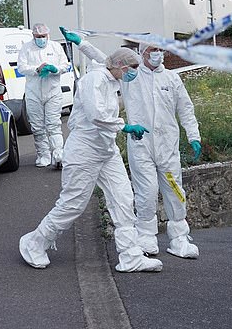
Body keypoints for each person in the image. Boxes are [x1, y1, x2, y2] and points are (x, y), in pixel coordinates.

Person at [19, 28, 162, 272]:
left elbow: (102, 56)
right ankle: (34, 243)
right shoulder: (94, 80)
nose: (133, 74)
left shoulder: (112, 75)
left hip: (106, 150)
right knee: (72, 205)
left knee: (123, 199)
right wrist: (125, 126)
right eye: (131, 69)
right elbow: (97, 115)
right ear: (120, 67)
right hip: (84, 151)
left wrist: (81, 43)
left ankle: (130, 256)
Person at [121, 42, 202, 259]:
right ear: (142, 53)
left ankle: (179, 238)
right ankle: (146, 237)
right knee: (146, 192)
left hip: (167, 146)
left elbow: (185, 108)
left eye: (160, 50)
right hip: (141, 145)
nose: (158, 54)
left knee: (175, 190)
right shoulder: (131, 77)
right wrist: (82, 44)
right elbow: (106, 63)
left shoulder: (172, 78)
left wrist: (193, 136)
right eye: (152, 50)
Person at [17, 23, 70, 168]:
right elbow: (21, 67)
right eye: (38, 37)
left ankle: (58, 154)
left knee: (53, 125)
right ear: (33, 36)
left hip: (53, 92)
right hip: (33, 93)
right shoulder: (26, 48)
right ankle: (43, 155)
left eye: (43, 36)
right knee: (37, 126)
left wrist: (55, 69)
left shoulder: (55, 47)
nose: (41, 39)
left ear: (48, 35)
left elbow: (65, 65)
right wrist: (36, 69)